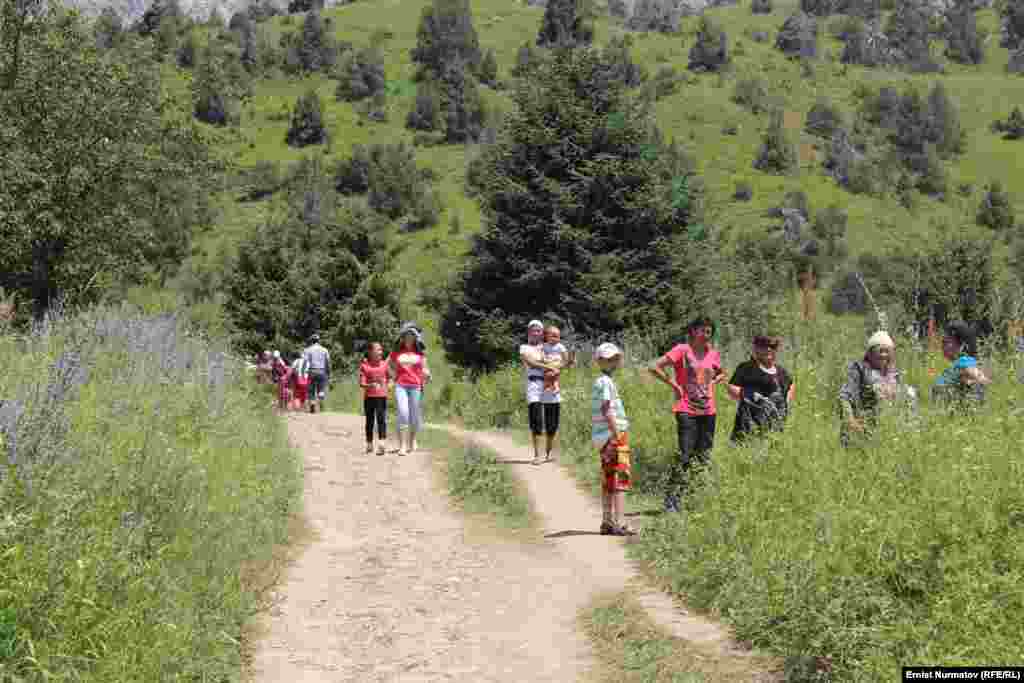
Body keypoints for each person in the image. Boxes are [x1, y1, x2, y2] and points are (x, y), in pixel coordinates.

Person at [649, 317, 725, 513]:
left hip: (708, 410)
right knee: (685, 454)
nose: (706, 335)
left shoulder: (713, 354)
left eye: (709, 331)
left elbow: (720, 373)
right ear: (693, 331)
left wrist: (713, 383)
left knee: (703, 457)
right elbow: (654, 367)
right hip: (686, 409)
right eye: (702, 330)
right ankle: (672, 500)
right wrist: (674, 385)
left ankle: (692, 498)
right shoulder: (682, 350)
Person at [839, 330, 918, 446]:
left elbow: (906, 405)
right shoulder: (860, 370)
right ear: (870, 353)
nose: (883, 355)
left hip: (890, 434)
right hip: (864, 431)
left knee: (911, 392)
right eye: (880, 351)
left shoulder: (895, 375)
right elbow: (844, 396)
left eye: (887, 351)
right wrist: (851, 420)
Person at [592, 342, 636, 537]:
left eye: (614, 358)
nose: (613, 362)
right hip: (613, 435)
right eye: (608, 359)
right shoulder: (605, 382)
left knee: (609, 479)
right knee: (621, 478)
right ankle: (620, 523)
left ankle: (607, 521)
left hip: (603, 437)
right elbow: (606, 409)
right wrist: (617, 434)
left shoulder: (602, 381)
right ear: (599, 361)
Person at [727, 335, 795, 443]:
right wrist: (753, 397)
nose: (768, 349)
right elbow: (732, 388)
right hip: (747, 428)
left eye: (772, 346)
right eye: (763, 345)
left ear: (776, 350)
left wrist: (786, 401)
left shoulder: (782, 372)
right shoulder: (746, 368)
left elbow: (791, 385)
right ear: (755, 348)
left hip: (775, 429)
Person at [388, 324, 430, 456]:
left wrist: (427, 374)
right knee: (403, 412)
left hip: (415, 386)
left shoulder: (420, 354)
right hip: (401, 385)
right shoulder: (396, 353)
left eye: (411, 337)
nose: (409, 339)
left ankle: (412, 440)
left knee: (414, 416)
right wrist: (391, 378)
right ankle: (402, 446)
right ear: (403, 338)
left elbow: (425, 368)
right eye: (407, 336)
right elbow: (388, 366)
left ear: (415, 339)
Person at [932, 320, 989, 409]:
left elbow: (981, 380)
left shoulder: (964, 361)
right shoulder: (958, 364)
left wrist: (969, 387)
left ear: (961, 344)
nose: (942, 346)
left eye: (945, 342)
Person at [519, 320, 555, 465]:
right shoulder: (524, 348)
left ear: (542, 333)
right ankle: (537, 455)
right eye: (533, 330)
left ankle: (548, 453)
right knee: (536, 418)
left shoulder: (546, 347)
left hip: (548, 383)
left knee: (551, 419)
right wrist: (546, 365)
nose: (536, 333)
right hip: (533, 384)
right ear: (529, 332)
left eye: (539, 330)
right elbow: (530, 362)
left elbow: (556, 360)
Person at [538, 325, 571, 464]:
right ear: (546, 336)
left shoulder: (560, 347)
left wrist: (560, 366)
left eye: (558, 336)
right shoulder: (543, 347)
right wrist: (547, 365)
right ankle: (544, 452)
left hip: (555, 395)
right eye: (553, 335)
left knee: (554, 425)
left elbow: (567, 361)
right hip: (544, 396)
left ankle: (550, 452)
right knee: (547, 425)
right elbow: (539, 360)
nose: (556, 338)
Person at [359, 342, 390, 455]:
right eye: (378, 350)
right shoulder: (364, 366)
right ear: (371, 352)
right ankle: (369, 443)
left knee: (381, 419)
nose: (380, 352)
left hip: (382, 396)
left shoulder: (384, 365)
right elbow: (361, 383)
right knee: (370, 421)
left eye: (381, 350)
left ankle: (382, 443)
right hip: (369, 397)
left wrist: (389, 384)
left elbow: (390, 378)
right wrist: (370, 385)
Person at [302, 333, 331, 414]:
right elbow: (328, 362)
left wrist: (304, 372)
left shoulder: (308, 350)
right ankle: (320, 399)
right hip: (322, 371)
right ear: (319, 340)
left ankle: (312, 404)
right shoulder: (325, 350)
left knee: (311, 391)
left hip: (312, 371)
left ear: (312, 341)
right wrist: (328, 372)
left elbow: (305, 362)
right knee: (321, 389)